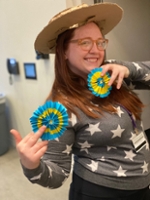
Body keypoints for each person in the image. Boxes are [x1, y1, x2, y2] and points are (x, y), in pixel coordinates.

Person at [11, 2, 150, 200]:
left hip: (141, 187)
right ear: (64, 52)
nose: (96, 50)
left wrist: (128, 68)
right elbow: (57, 174)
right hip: (100, 193)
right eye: (85, 42)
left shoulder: (113, 76)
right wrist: (32, 166)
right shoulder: (58, 109)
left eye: (100, 42)